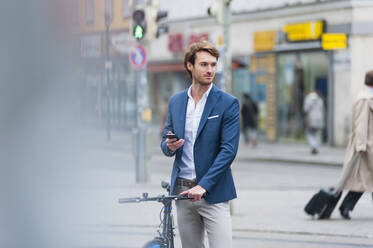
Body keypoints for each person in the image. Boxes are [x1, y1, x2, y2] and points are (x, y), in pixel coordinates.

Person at [160, 40, 240, 248]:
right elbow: (165, 140)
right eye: (204, 64)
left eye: (213, 65)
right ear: (190, 65)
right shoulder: (176, 102)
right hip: (183, 192)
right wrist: (169, 146)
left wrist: (203, 185)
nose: (210, 70)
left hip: (214, 192)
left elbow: (228, 150)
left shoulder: (227, 103)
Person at [338, 70, 373, 220]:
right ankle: (345, 206)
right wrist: (361, 146)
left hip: (369, 146)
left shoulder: (368, 97)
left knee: (366, 180)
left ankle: (346, 206)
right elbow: (361, 125)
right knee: (362, 181)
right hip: (366, 147)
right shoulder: (365, 99)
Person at [303, 90, 325, 154]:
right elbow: (323, 110)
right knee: (317, 134)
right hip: (319, 119)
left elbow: (305, 109)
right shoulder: (320, 100)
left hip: (311, 119)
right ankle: (315, 147)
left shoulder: (308, 99)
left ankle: (313, 146)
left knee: (309, 133)